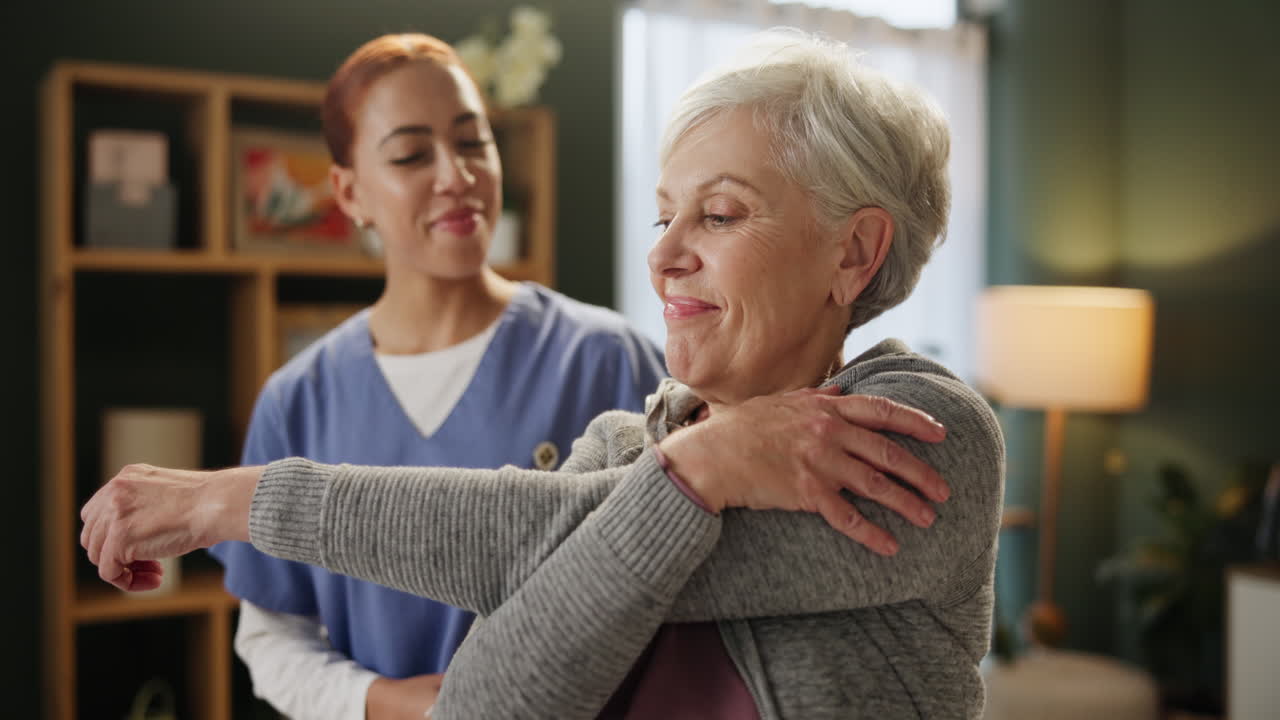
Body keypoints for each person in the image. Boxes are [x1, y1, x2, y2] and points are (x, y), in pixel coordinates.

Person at [83, 30, 1005, 719]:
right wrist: (698, 467)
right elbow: (484, 707)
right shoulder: (622, 442)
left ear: (854, 253)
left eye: (720, 214)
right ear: (350, 195)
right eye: (662, 218)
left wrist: (695, 474)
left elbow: (551, 540)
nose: (665, 259)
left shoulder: (919, 433)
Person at [208, 33, 672, 720]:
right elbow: (272, 635)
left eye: (473, 143)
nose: (456, 176)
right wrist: (383, 702)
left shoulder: (607, 358)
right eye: (410, 155)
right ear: (349, 192)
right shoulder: (298, 400)